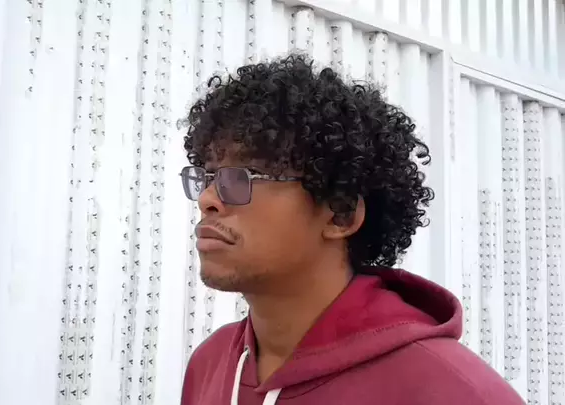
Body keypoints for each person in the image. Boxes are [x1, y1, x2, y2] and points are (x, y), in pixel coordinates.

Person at [178, 54, 524, 405]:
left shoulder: (456, 392)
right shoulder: (210, 364)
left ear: (340, 216)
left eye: (242, 178)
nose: (206, 199)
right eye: (208, 176)